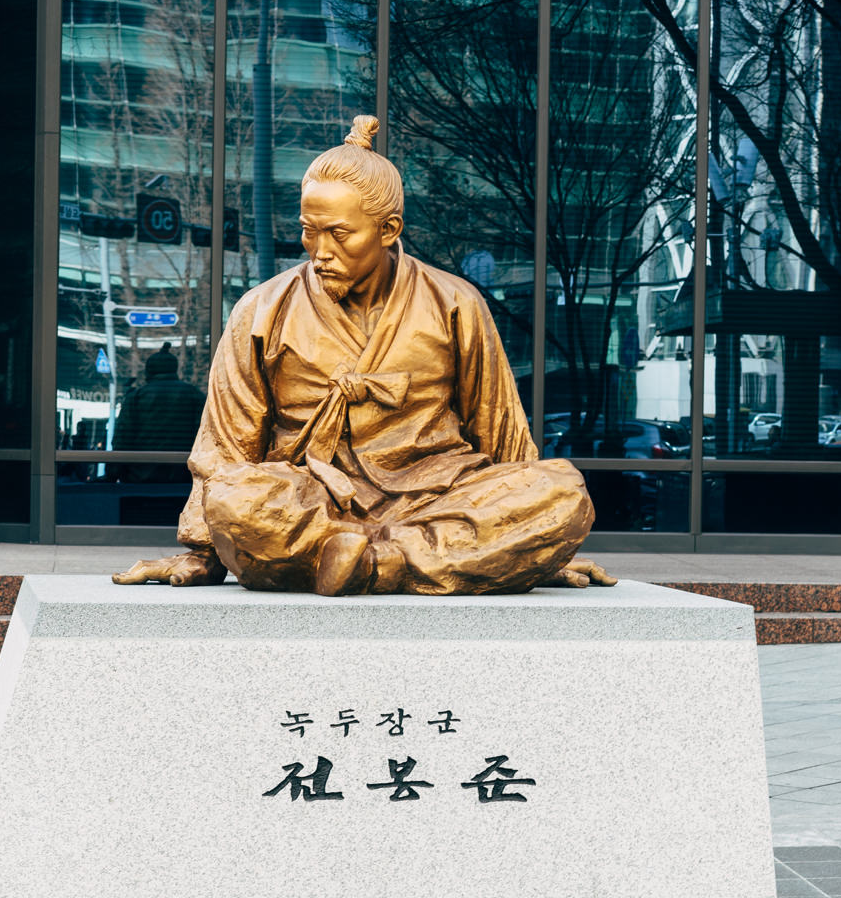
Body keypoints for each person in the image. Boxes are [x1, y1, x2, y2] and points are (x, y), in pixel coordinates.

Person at [115, 115, 614, 596]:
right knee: (235, 496)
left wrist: (539, 540)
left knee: (561, 490)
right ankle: (419, 559)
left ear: (389, 228)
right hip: (315, 503)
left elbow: (500, 427)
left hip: (436, 498)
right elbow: (225, 446)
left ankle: (373, 562)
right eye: (310, 230)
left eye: (338, 233)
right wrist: (204, 551)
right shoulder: (263, 308)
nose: (319, 250)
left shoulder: (454, 302)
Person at [111, 343, 205, 483]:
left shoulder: (137, 397)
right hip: (184, 478)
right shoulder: (195, 395)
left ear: (149, 370)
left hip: (140, 478)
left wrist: (112, 474)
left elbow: (123, 438)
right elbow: (205, 436)